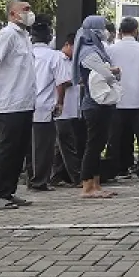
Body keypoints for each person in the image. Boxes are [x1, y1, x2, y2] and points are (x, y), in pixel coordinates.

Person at [0, 0, 38, 210]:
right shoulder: (7, 35)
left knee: (18, 151)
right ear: (13, 14)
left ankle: (8, 192)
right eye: (25, 9)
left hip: (24, 103)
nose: (29, 12)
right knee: (7, 151)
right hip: (9, 104)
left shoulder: (24, 37)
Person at [73, 15, 121, 199]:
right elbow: (104, 73)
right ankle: (87, 186)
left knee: (98, 143)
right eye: (102, 27)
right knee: (93, 144)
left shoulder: (96, 49)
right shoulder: (89, 52)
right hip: (94, 104)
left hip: (100, 103)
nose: (105, 31)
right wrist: (114, 72)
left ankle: (96, 183)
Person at [108, 18, 139, 181]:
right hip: (138, 98)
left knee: (116, 137)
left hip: (117, 99)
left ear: (120, 31)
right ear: (136, 31)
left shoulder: (111, 50)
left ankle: (117, 169)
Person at [27, 18, 59, 192]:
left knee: (28, 147)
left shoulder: (26, 53)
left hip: (24, 105)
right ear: (49, 36)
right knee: (43, 147)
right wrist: (59, 102)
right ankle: (40, 181)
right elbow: (62, 81)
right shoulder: (54, 56)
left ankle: (31, 178)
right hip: (45, 106)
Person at [52, 35, 83, 187]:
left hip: (71, 108)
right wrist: (77, 80)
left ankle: (56, 175)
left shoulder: (72, 61)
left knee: (61, 145)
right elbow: (62, 83)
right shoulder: (59, 59)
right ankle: (76, 177)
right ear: (68, 45)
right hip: (62, 109)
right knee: (67, 144)